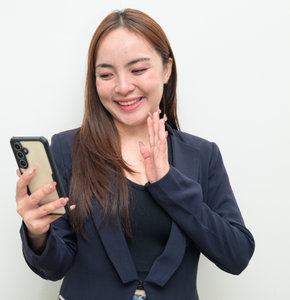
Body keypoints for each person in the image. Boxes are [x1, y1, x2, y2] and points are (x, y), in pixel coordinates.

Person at [15, 8, 255, 300]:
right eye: (106, 74)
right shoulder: (68, 149)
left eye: (138, 70)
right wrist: (37, 233)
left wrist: (169, 183)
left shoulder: (202, 155)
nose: (123, 87)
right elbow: (55, 267)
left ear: (167, 69)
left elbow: (236, 255)